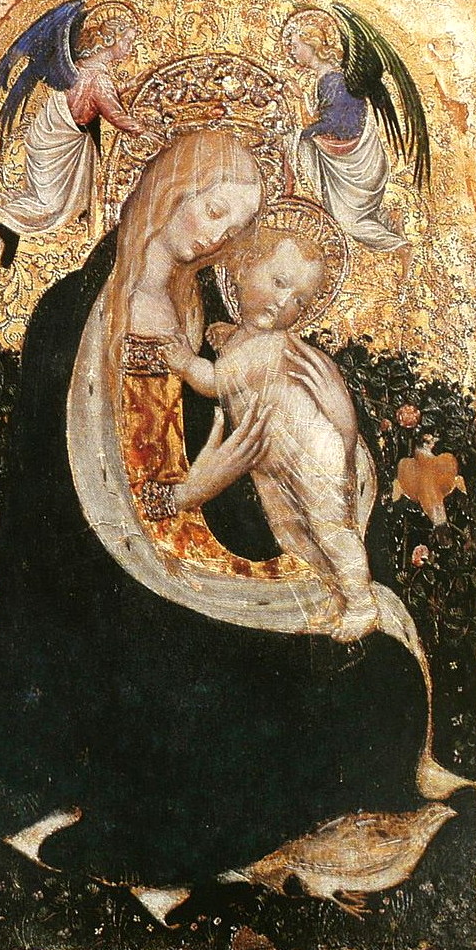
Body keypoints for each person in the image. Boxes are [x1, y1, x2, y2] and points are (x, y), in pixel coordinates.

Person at [0, 130, 461, 900]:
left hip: (194, 556)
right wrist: (204, 483)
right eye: (212, 208)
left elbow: (242, 456)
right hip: (105, 594)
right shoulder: (74, 312)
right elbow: (57, 512)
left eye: (236, 226)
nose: (215, 234)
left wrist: (323, 420)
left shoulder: (200, 310)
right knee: (228, 708)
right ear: (171, 189)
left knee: (379, 670)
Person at [162, 202, 378, 641]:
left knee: (329, 527)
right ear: (242, 269)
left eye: (299, 299)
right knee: (293, 531)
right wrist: (225, 335)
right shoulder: (248, 340)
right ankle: (333, 589)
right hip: (274, 460)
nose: (284, 303)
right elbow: (238, 359)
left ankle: (361, 601)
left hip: (310, 454)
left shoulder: (271, 345)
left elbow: (214, 381)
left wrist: (183, 361)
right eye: (279, 282)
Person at [0, 4, 157, 258]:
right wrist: (144, 131)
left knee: (44, 195)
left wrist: (130, 84)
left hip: (53, 132)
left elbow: (97, 98)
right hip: (59, 140)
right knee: (52, 206)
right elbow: (114, 114)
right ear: (110, 40)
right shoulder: (100, 79)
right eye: (127, 41)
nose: (130, 48)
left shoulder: (84, 67)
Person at [281, 9, 414, 276]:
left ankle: (400, 246)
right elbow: (322, 117)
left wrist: (301, 134)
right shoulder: (324, 79)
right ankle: (387, 218)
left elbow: (341, 126)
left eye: (294, 46)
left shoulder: (336, 81)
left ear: (312, 44)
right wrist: (298, 101)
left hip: (356, 164)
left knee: (348, 222)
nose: (291, 53)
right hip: (344, 161)